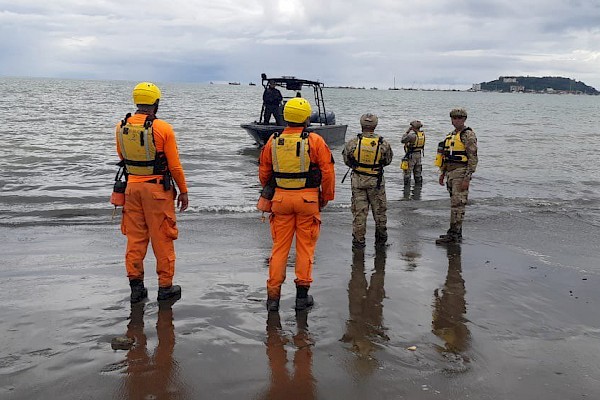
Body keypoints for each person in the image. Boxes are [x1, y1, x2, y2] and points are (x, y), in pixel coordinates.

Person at [258, 97, 335, 312]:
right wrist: (326, 197)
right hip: (308, 200)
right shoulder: (316, 141)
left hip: (280, 201)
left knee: (279, 249)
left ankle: (273, 298)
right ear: (306, 118)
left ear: (285, 116)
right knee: (305, 249)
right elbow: (328, 172)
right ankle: (302, 297)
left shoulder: (273, 140)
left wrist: (274, 191)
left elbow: (264, 172)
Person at [115, 82, 189, 303]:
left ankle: (136, 287)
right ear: (156, 103)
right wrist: (183, 191)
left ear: (136, 101)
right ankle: (165, 287)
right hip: (157, 191)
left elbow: (122, 157)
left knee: (135, 239)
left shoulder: (120, 127)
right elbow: (175, 166)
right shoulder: (163, 128)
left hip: (131, 189)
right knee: (163, 239)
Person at [342, 114, 393, 249]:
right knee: (380, 213)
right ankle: (381, 242)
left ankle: (358, 243)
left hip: (358, 182)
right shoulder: (383, 144)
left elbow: (346, 160)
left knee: (359, 214)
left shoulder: (353, 143)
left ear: (361, 124)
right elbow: (388, 161)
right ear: (375, 126)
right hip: (376, 182)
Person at [436, 108, 478, 244]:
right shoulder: (451, 135)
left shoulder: (468, 135)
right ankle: (455, 232)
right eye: (454, 118)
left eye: (459, 118)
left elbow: (473, 158)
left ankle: (454, 235)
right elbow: (445, 156)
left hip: (461, 172)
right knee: (454, 203)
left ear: (464, 119)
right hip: (450, 172)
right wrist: (442, 173)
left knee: (458, 205)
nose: (456, 120)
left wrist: (467, 177)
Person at [400, 120, 426, 187]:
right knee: (418, 173)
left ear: (413, 127)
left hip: (411, 156)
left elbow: (402, 140)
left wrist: (407, 132)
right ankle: (418, 189)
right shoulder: (422, 135)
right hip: (419, 155)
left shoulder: (412, 136)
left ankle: (406, 189)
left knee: (407, 173)